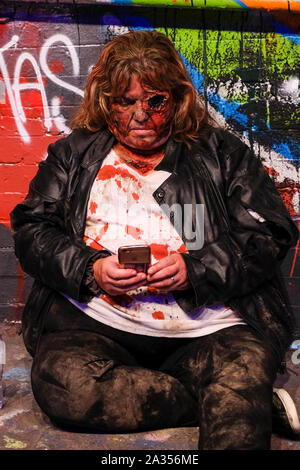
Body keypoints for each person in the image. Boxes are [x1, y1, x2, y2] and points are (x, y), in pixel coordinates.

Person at [10, 30, 299, 450]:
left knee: (240, 380)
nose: (139, 114)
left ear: (177, 99)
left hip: (210, 328)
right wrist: (89, 268)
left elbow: (270, 233)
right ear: (105, 102)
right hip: (98, 324)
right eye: (124, 102)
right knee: (64, 385)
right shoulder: (73, 155)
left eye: (154, 101)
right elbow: (32, 231)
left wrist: (196, 270)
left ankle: (235, 396)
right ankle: (230, 401)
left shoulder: (221, 153)